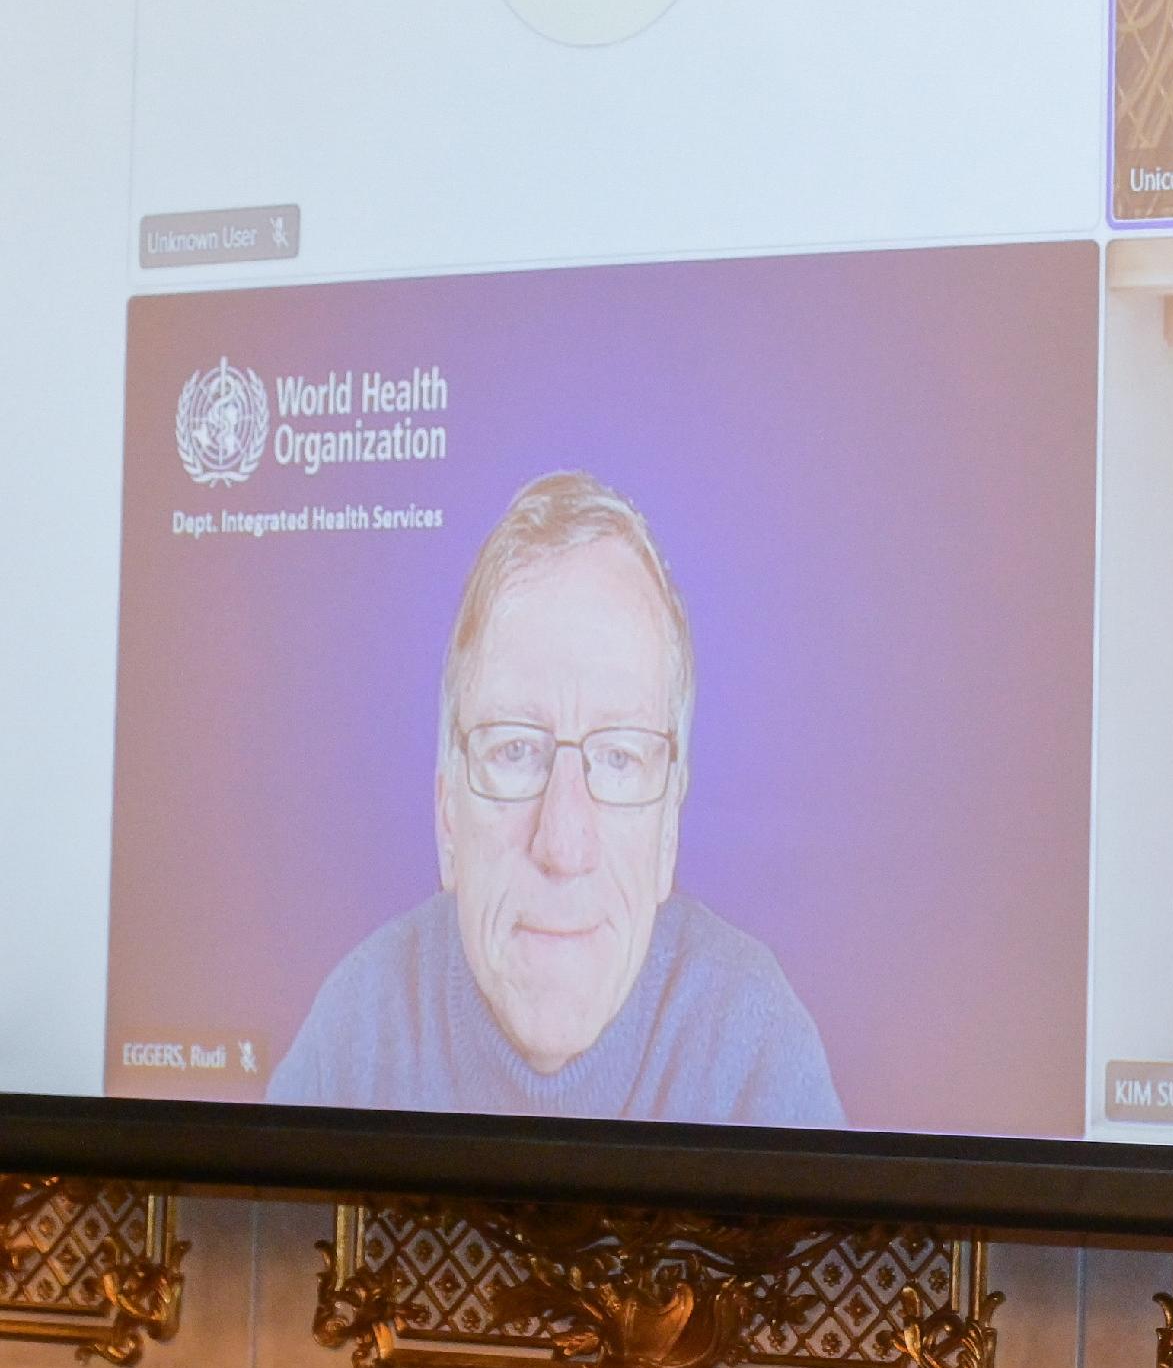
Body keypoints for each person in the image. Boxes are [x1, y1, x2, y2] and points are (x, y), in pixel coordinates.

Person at [271, 473, 844, 1126]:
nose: (564, 844)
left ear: (668, 834)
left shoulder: (755, 1050)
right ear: (446, 814)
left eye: (620, 757)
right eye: (515, 750)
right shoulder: (354, 1037)